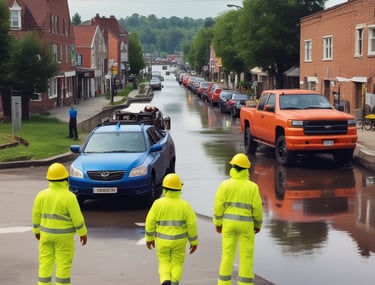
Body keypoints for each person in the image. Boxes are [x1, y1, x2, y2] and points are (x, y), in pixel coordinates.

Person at [32, 162, 88, 285]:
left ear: (49, 179)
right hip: (64, 238)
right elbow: (77, 219)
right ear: (66, 179)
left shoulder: (41, 195)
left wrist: (36, 231)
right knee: (63, 264)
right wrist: (82, 233)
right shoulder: (69, 197)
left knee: (45, 262)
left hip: (45, 236)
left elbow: (36, 214)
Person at [213, 153, 263, 285]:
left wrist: (218, 223)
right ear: (247, 169)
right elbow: (257, 209)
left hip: (228, 225)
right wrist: (258, 224)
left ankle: (224, 283)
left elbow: (218, 206)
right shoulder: (252, 187)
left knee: (227, 256)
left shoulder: (225, 185)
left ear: (233, 167)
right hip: (246, 226)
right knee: (246, 257)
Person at [145, 173, 198, 285]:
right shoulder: (185, 205)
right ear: (179, 189)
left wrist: (149, 239)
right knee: (177, 263)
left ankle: (165, 280)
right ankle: (174, 282)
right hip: (179, 241)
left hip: (162, 241)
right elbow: (191, 224)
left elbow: (150, 222)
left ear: (164, 188)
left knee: (164, 262)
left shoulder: (158, 204)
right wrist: (194, 242)